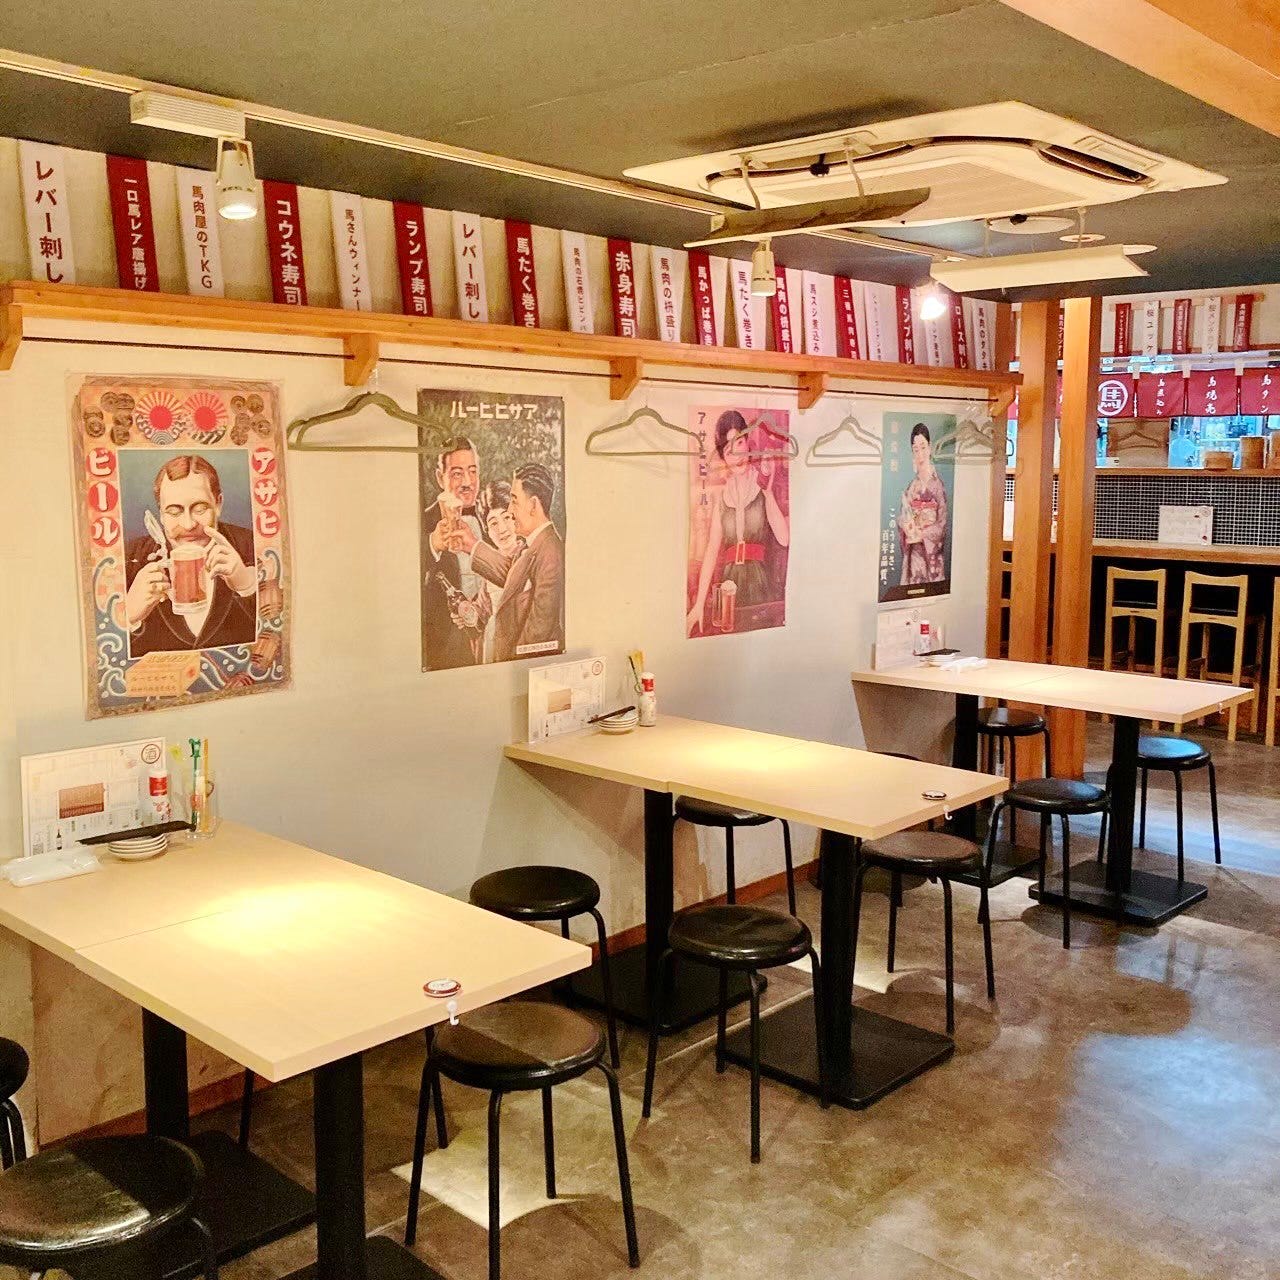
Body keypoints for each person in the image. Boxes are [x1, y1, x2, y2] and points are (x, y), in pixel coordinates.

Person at [124, 454, 258, 656]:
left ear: (218, 504)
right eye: (174, 512)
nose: (188, 525)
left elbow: (273, 631)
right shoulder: (131, 556)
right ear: (160, 514)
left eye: (200, 509)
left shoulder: (252, 545)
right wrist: (128, 615)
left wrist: (247, 586)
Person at [686, 410, 790, 635]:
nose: (737, 454)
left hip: (760, 583)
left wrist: (768, 493)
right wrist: (698, 605)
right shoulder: (722, 497)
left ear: (748, 442)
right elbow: (711, 552)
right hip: (729, 586)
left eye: (739, 442)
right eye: (728, 451)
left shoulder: (762, 484)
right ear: (723, 458)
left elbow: (784, 538)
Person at [460, 463, 565, 661]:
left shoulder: (548, 550)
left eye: (514, 502)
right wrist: (472, 545)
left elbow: (538, 631)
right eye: (493, 523)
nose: (510, 509)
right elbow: (510, 577)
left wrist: (506, 662)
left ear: (533, 505)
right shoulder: (535, 546)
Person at [421, 437, 488, 670]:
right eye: (457, 474)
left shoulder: (494, 516)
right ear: (440, 478)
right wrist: (432, 544)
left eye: (473, 471)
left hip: (492, 645)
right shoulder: (421, 521)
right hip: (448, 652)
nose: (467, 482)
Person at [475, 479, 524, 663]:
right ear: (487, 531)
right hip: (492, 643)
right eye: (493, 523)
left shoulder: (530, 554)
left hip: (522, 641)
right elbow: (482, 612)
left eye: (506, 518)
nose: (502, 529)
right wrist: (467, 614)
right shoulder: (487, 566)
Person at [897, 421, 949, 587]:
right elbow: (903, 518)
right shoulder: (912, 487)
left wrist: (922, 534)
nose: (920, 453)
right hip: (915, 555)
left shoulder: (938, 486)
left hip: (931, 555)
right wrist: (906, 525)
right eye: (915, 449)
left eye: (923, 447)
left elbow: (942, 524)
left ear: (930, 447)